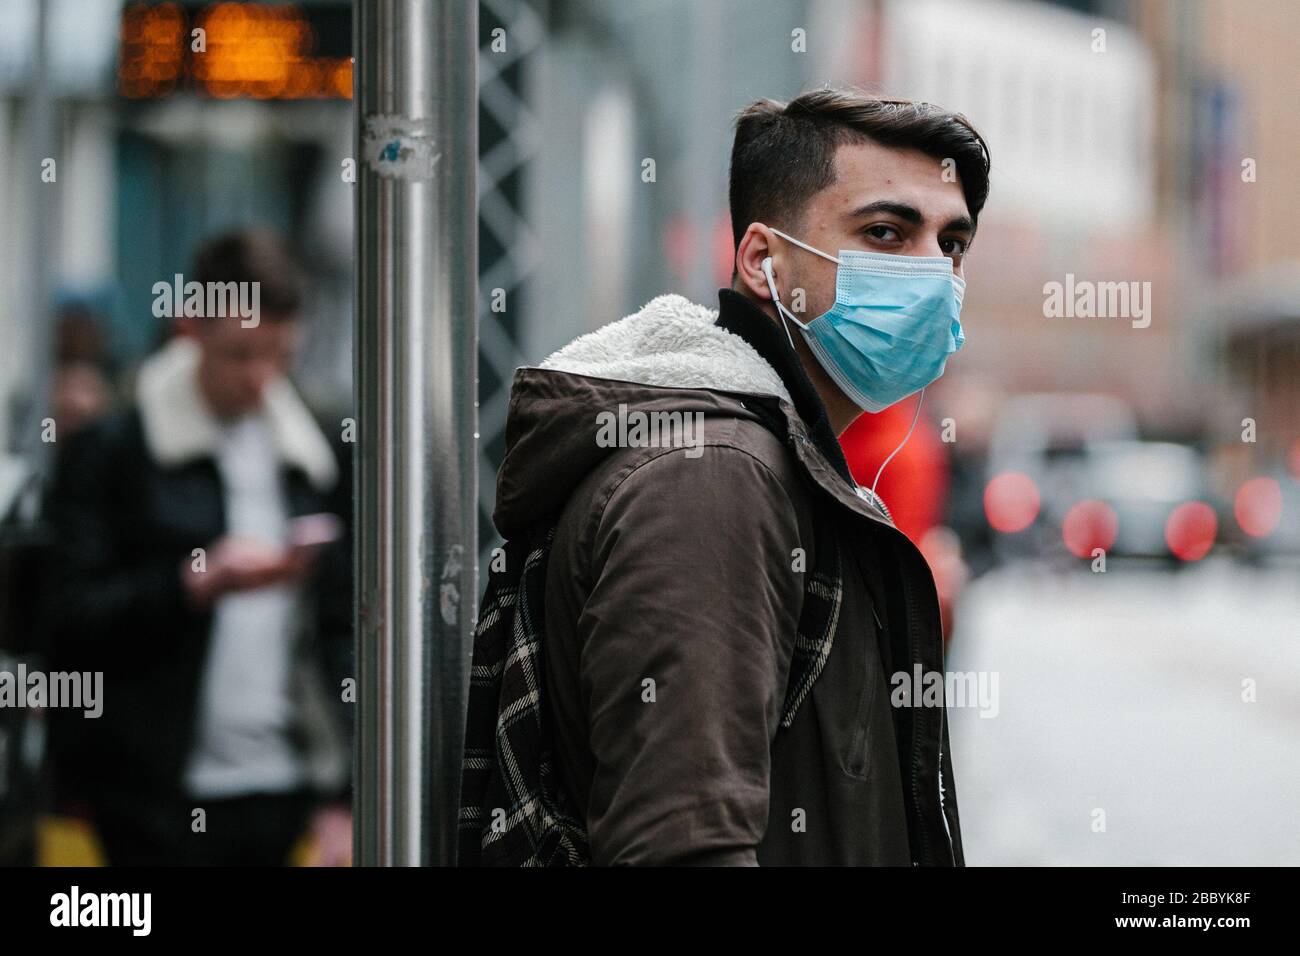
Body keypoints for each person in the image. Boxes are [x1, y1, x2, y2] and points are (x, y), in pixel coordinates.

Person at [464, 89, 990, 865]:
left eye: (951, 244)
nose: (931, 274)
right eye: (885, 232)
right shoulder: (712, 481)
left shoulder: (768, 459)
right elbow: (684, 845)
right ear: (760, 260)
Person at [43, 229, 353, 866]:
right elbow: (66, 616)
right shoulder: (113, 452)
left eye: (278, 354)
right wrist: (191, 583)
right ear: (191, 327)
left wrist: (344, 790)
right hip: (146, 801)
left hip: (283, 792)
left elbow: (340, 629)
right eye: (241, 354)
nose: (260, 377)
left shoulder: (315, 456)